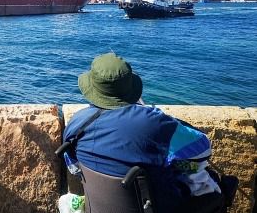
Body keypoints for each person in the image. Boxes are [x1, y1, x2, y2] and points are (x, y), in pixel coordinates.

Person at [63, 53, 237, 213]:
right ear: (130, 88)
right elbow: (203, 149)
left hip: (99, 207)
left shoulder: (77, 124)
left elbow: (74, 168)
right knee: (218, 192)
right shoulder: (155, 123)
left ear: (93, 88)